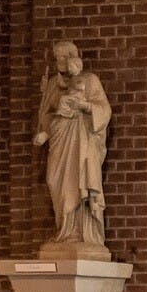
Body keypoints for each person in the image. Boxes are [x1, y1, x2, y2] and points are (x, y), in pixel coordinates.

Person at [32, 40, 110, 251]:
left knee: (79, 182)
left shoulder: (90, 80)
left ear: (74, 58)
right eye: (57, 58)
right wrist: (46, 131)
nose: (61, 61)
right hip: (59, 138)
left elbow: (104, 110)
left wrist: (85, 106)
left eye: (65, 57)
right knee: (53, 179)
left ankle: (82, 233)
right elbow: (46, 114)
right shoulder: (52, 85)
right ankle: (64, 230)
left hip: (82, 140)